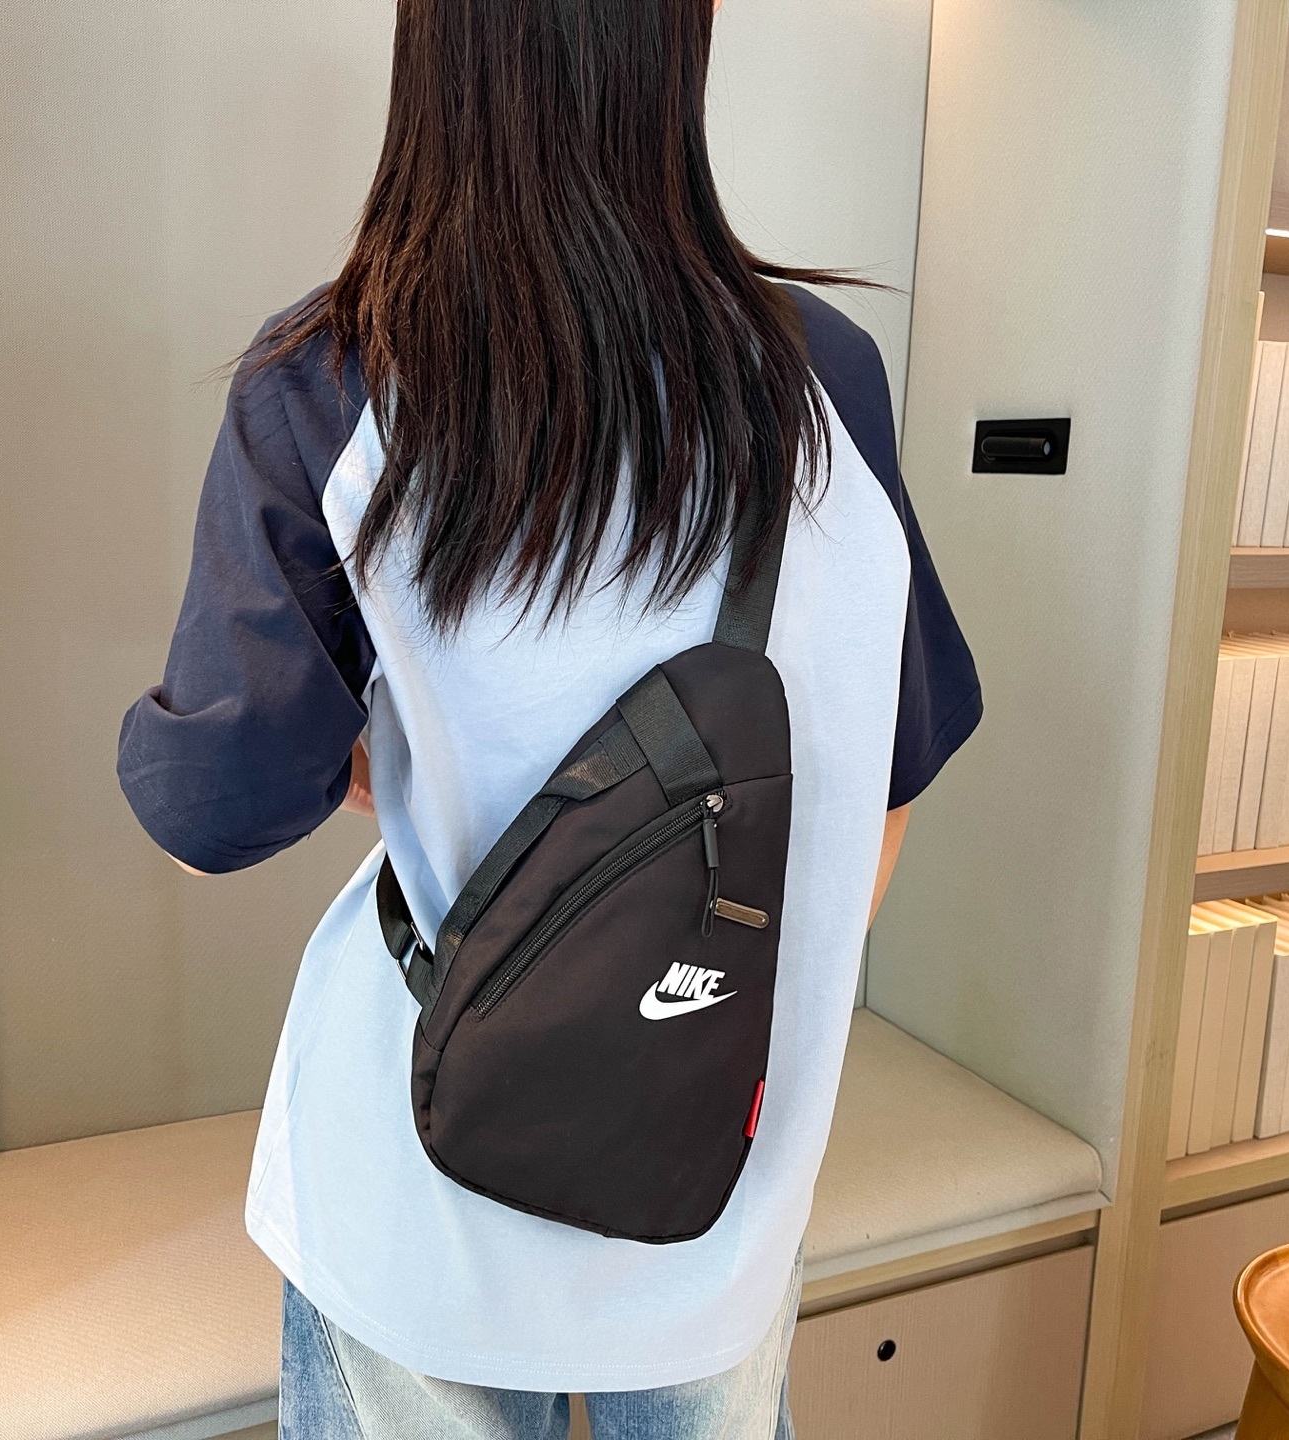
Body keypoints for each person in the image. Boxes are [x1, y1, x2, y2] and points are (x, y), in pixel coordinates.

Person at [117, 0, 981, 1435]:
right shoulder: (828, 375)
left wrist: (360, 752)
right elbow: (879, 783)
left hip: (415, 1188)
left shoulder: (332, 380)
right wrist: (686, 1008)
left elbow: (213, 807)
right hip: (717, 1192)